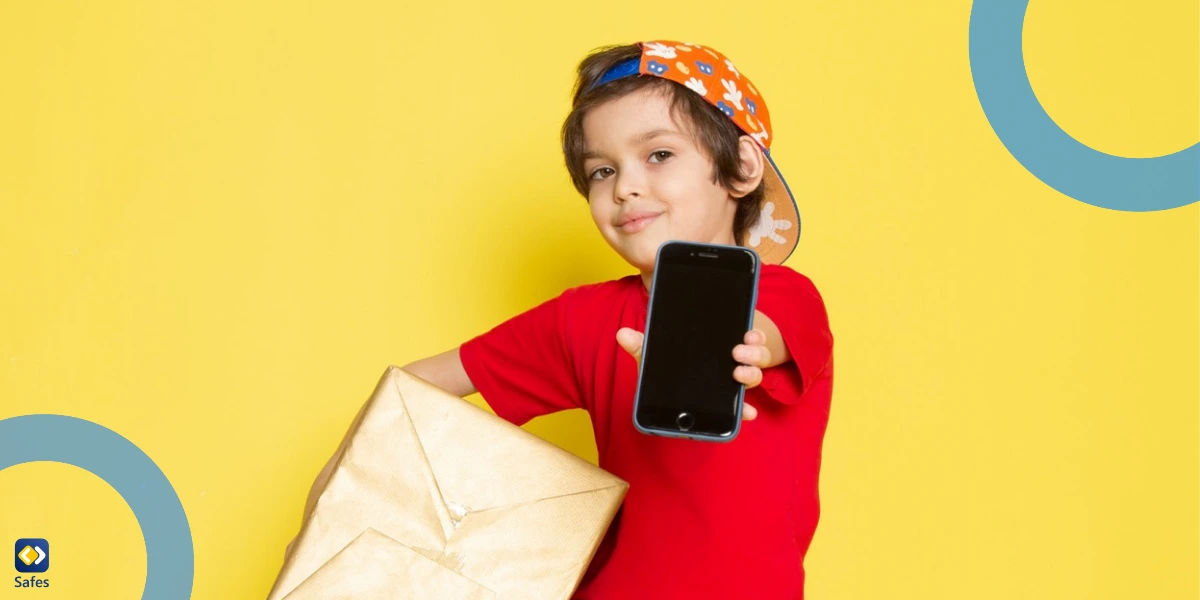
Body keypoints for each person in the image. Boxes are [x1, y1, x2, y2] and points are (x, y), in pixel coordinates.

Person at [295, 40, 834, 599]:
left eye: (659, 155)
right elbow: (411, 388)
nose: (624, 186)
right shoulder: (583, 317)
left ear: (742, 167)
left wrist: (722, 350)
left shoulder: (786, 297)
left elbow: (764, 338)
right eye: (602, 170)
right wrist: (326, 521)